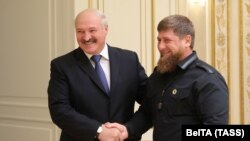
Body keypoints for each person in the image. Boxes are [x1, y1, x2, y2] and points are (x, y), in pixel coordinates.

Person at [109, 14, 229, 141]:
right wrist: (127, 130)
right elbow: (146, 113)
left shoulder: (207, 79)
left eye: (167, 40)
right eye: (159, 40)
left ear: (187, 41)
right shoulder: (158, 75)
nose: (160, 46)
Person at [47, 8, 151, 141]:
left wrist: (129, 129)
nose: (86, 37)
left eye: (92, 30)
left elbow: (150, 101)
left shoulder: (129, 59)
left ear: (106, 29)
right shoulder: (62, 66)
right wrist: (98, 131)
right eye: (80, 31)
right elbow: (59, 110)